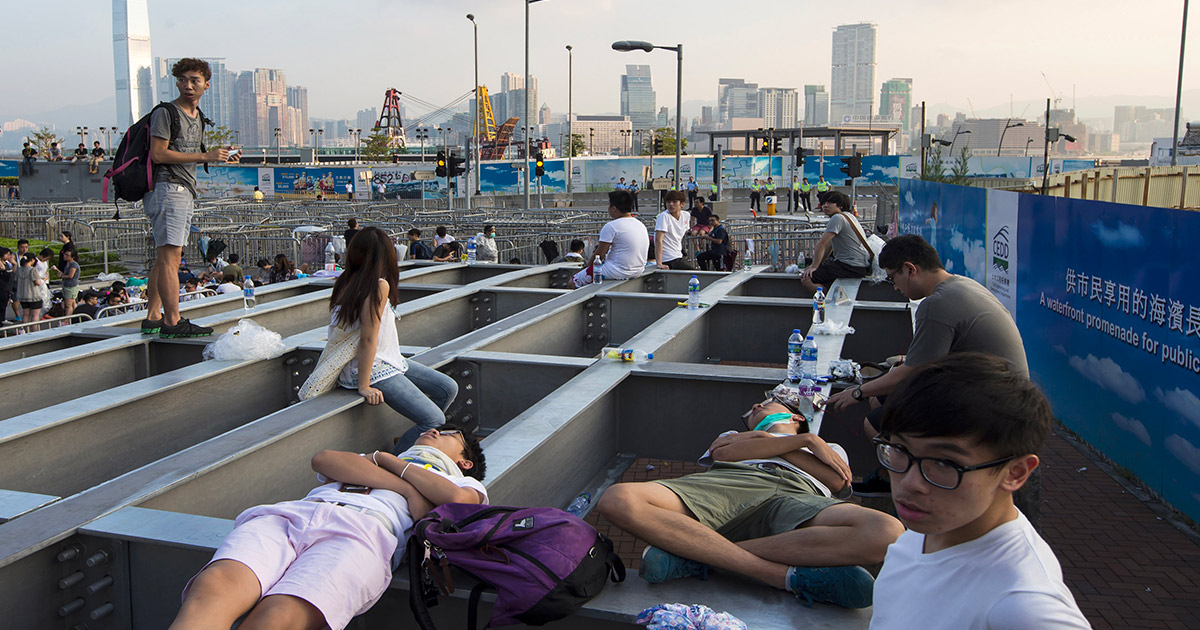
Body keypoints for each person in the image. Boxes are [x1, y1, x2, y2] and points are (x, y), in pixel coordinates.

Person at [596, 389, 904, 609]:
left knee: (887, 533)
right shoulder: (747, 435)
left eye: (766, 403)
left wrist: (778, 444)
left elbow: (837, 481)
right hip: (728, 485)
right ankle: (779, 576)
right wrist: (805, 441)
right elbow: (723, 453)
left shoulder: (832, 447)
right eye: (753, 409)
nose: (755, 406)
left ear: (796, 416)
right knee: (618, 500)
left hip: (796, 495)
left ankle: (696, 557)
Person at [167, 426, 487, 630]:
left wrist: (387, 462)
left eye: (449, 433)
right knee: (215, 586)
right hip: (297, 514)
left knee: (279, 617)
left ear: (465, 461)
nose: (435, 429)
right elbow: (324, 460)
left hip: (364, 535)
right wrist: (400, 480)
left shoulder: (464, 481)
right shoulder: (381, 460)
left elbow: (458, 499)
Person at [868, 354, 1090, 629]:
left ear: (1015, 472)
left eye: (944, 463)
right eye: (899, 450)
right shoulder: (921, 536)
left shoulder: (1021, 604)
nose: (911, 482)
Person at [328, 227, 460, 452]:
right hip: (373, 367)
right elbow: (368, 338)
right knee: (433, 419)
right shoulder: (378, 286)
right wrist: (364, 385)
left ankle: (412, 440)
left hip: (388, 360)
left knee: (447, 388)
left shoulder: (347, 281)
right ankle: (393, 464)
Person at [140, 58, 231, 339]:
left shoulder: (197, 115)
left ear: (206, 84)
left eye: (195, 80)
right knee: (171, 258)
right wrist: (205, 156)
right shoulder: (167, 113)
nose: (188, 85)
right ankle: (172, 321)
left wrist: (218, 154)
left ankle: (154, 316)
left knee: (166, 257)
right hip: (168, 189)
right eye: (183, 79)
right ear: (177, 82)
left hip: (182, 190)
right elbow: (158, 153)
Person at [570, 190, 650, 288]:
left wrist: (586, 268)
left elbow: (599, 254)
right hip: (638, 270)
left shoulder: (611, 226)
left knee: (573, 281)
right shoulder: (640, 225)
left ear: (614, 208)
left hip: (617, 271)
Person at [800, 191, 871, 292]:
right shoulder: (849, 216)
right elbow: (829, 247)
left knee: (807, 278)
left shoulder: (837, 218)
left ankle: (827, 299)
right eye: (824, 203)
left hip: (850, 265)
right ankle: (831, 294)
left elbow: (821, 244)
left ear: (840, 205)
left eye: (830, 203)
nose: (825, 206)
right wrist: (817, 263)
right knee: (822, 272)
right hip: (859, 265)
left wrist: (814, 267)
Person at [654, 190, 696, 270]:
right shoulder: (664, 216)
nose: (671, 204)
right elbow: (658, 239)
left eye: (674, 202)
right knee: (694, 274)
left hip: (678, 255)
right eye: (668, 202)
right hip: (667, 258)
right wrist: (659, 263)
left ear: (682, 204)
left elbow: (680, 236)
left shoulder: (686, 215)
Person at [15, 253, 43, 324]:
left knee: (26, 314)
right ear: (32, 260)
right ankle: (35, 331)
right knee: (35, 315)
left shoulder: (19, 269)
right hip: (33, 295)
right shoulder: (32, 270)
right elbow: (37, 282)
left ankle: (26, 330)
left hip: (22, 296)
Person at [59, 249, 80, 315]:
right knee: (72, 303)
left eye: (67, 255)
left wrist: (62, 276)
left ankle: (67, 320)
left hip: (71, 286)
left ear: (72, 257)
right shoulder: (68, 264)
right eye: (64, 254)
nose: (65, 256)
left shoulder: (73, 265)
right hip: (67, 285)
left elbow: (70, 276)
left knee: (68, 305)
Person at [0, 248, 14, 325]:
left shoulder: (7, 263)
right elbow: (2, 268)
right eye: (7, 254)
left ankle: (3, 318)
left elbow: (13, 271)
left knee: (4, 304)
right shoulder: (1, 263)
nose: (9, 256)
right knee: (1, 304)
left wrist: (14, 264)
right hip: (1, 287)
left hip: (7, 287)